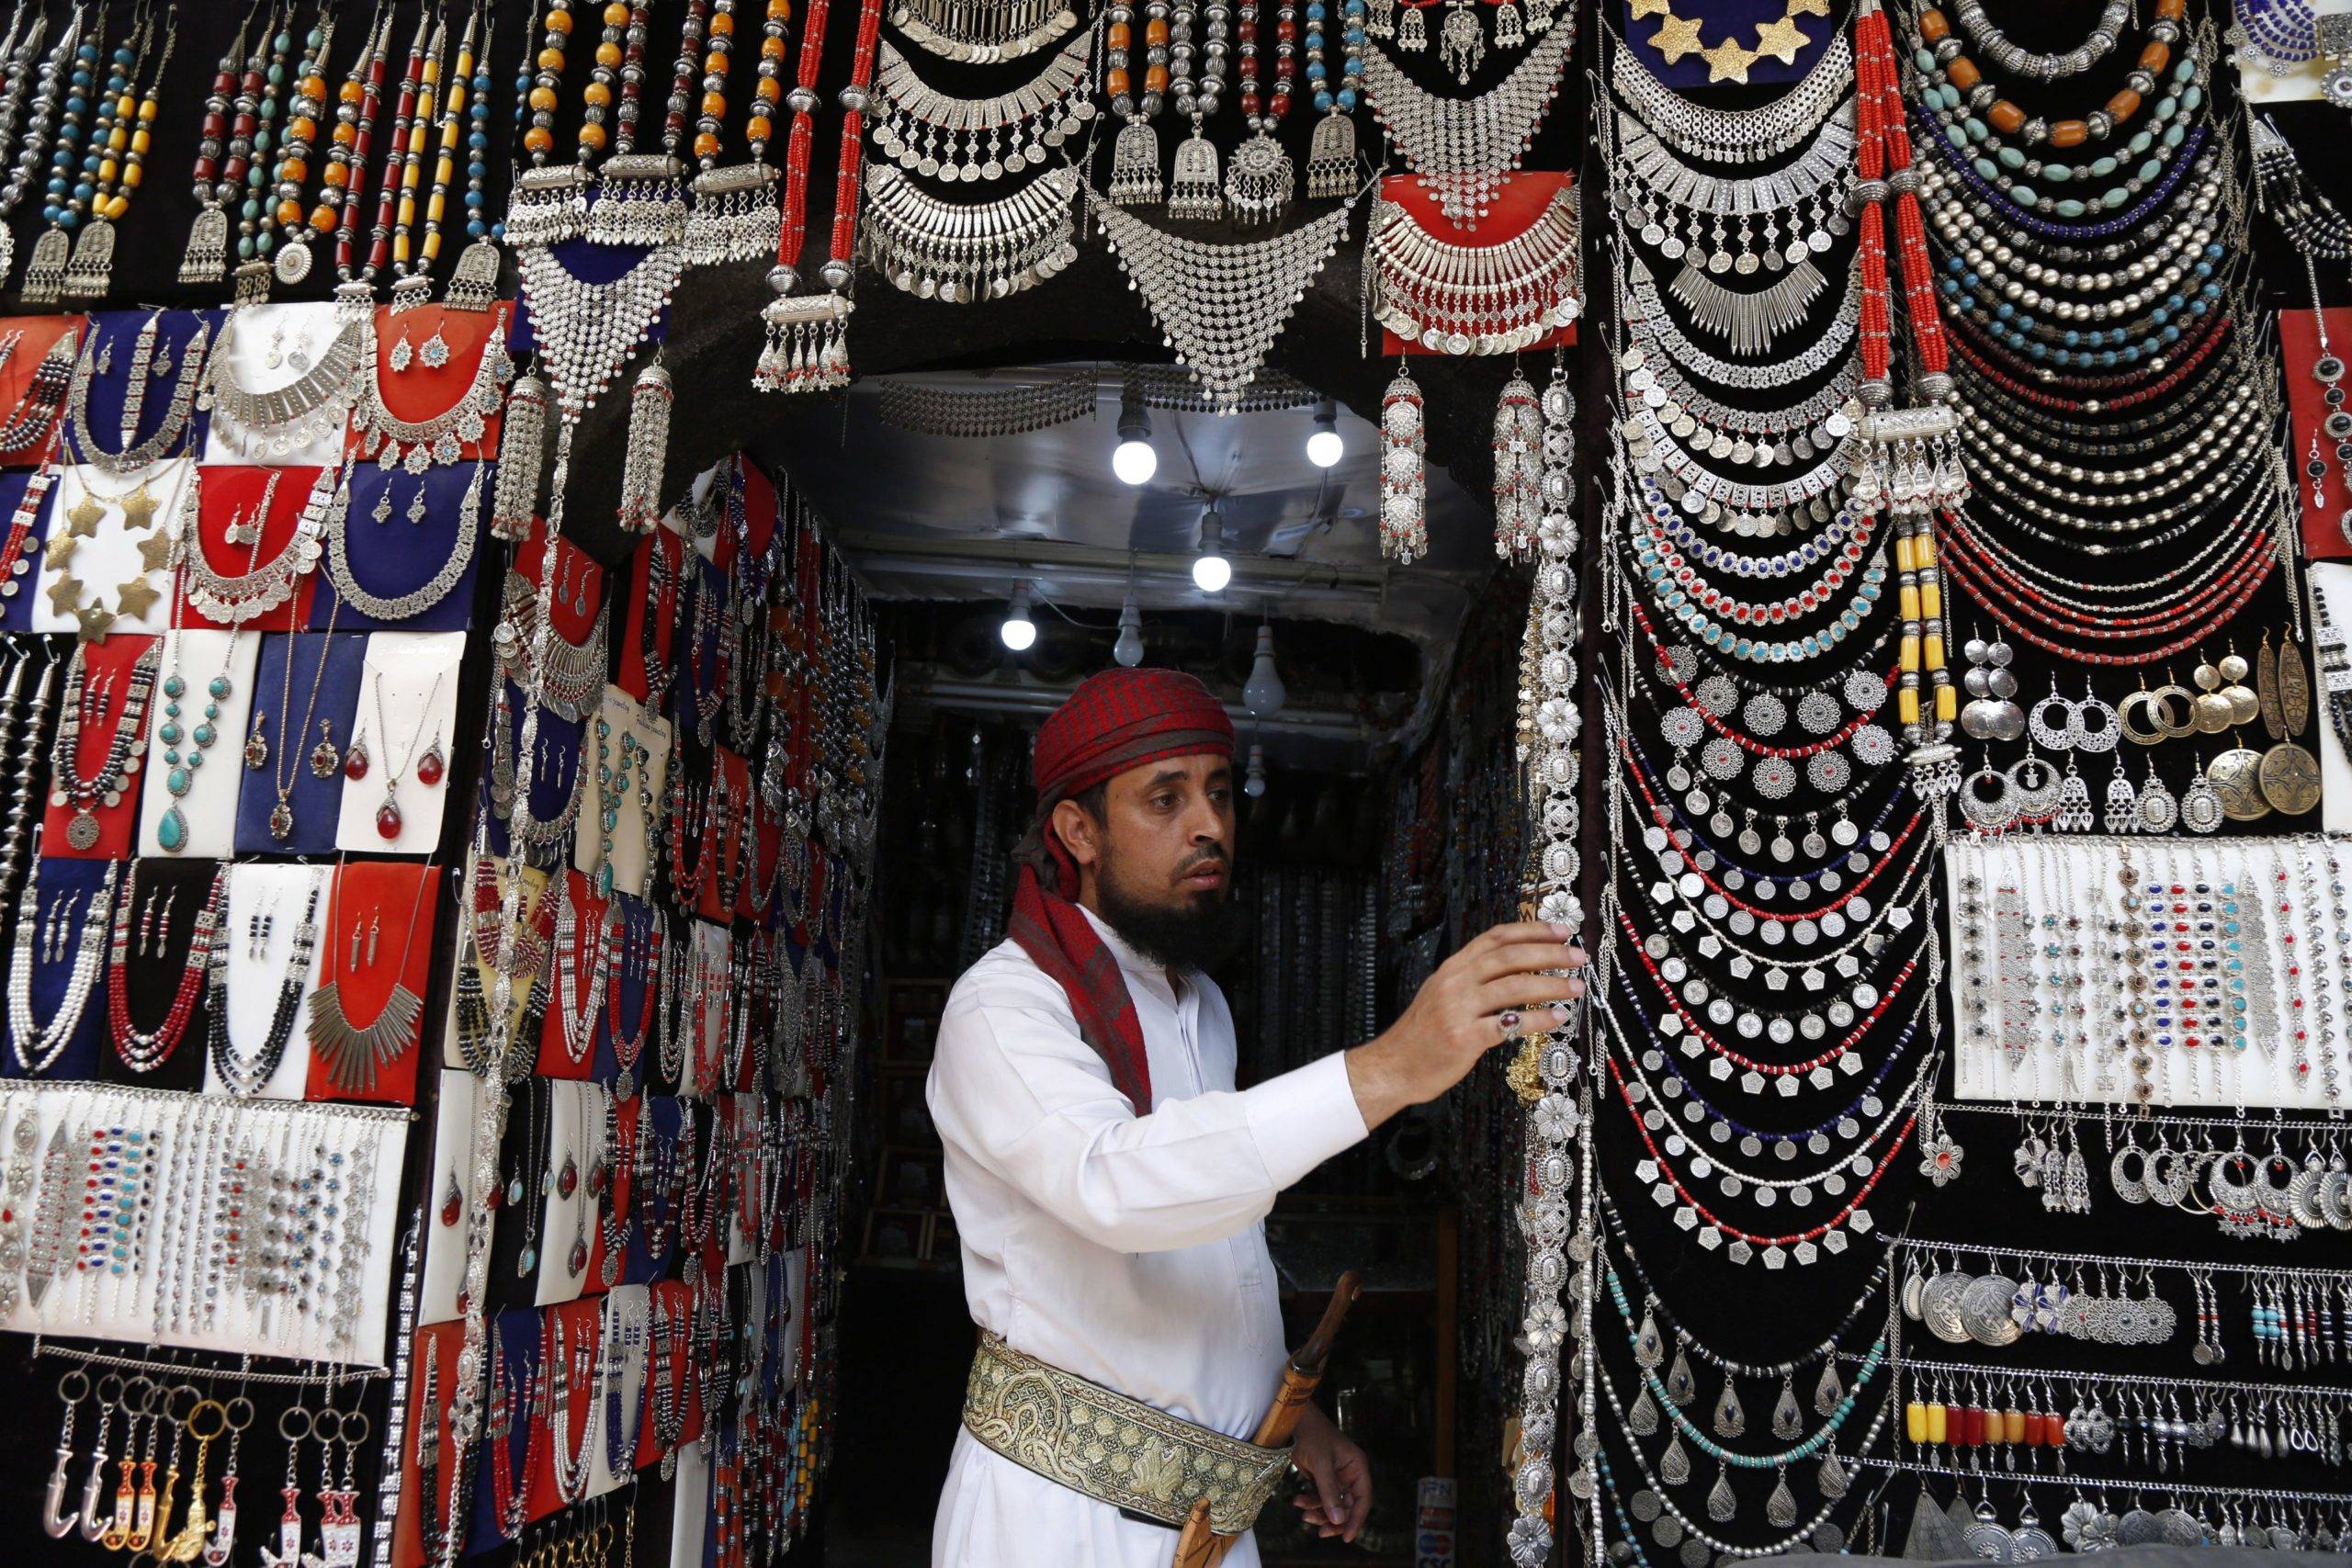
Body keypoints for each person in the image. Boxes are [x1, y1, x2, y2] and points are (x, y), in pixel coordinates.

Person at [927, 667, 1587, 1567]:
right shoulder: (1003, 1010)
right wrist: (1387, 1068)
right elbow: (1116, 1187)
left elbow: (1209, 1239)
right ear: (1077, 831)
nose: (1208, 825)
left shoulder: (1197, 1003)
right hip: (1058, 1523)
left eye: (1217, 793)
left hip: (1213, 1524)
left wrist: (1289, 1415)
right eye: (1164, 799)